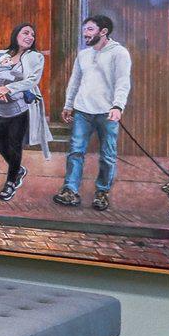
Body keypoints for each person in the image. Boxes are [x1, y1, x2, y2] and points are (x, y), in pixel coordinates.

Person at [55, 14, 131, 211]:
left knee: (108, 155)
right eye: (85, 29)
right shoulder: (83, 55)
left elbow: (123, 83)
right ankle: (70, 190)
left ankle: (102, 192)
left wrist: (118, 106)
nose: (85, 33)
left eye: (90, 29)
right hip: (82, 111)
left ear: (103, 32)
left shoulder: (119, 53)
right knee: (76, 152)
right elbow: (74, 82)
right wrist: (68, 105)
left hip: (107, 113)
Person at [0, 23, 48, 201]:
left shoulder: (35, 57)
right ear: (16, 35)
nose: (30, 37)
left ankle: (11, 182)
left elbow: (32, 81)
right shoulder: (2, 55)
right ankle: (18, 170)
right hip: (1, 108)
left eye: (32, 35)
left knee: (15, 145)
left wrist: (8, 89)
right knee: (0, 145)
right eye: (25, 33)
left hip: (20, 108)